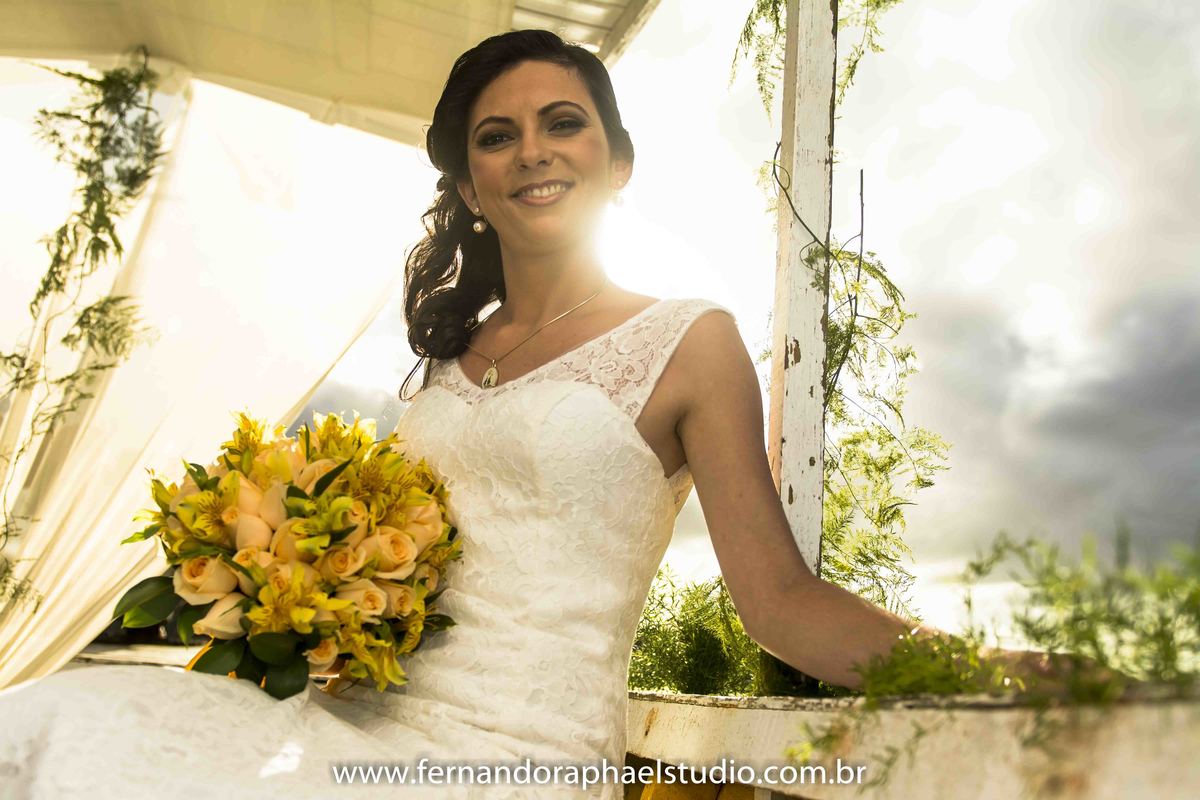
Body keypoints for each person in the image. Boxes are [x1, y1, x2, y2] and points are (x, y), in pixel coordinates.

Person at [0, 28, 1065, 800]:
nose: (534, 150)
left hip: (518, 753)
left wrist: (990, 671)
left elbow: (779, 601)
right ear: (469, 183)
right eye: (498, 137)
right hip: (354, 718)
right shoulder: (443, 363)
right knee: (63, 714)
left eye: (565, 124)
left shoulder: (690, 337)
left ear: (617, 161)